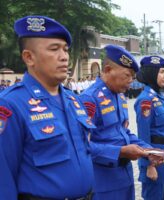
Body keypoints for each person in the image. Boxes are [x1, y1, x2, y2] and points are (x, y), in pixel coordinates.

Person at [0, 15, 95, 199]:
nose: (64, 57)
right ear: (29, 57)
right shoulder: (10, 105)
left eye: (66, 50)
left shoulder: (74, 100)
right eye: (54, 49)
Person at [79, 44, 152, 200]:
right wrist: (120, 152)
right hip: (103, 182)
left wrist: (148, 150)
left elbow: (123, 131)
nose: (131, 81)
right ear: (107, 70)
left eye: (133, 77)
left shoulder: (119, 95)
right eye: (127, 75)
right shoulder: (89, 99)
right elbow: (82, 146)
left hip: (124, 176)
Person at [134, 56, 164, 200]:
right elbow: (143, 136)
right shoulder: (146, 100)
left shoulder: (160, 97)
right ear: (152, 73)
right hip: (155, 160)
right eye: (162, 72)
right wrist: (148, 165)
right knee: (155, 196)